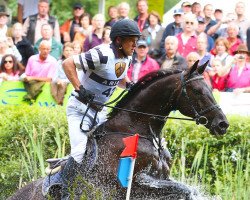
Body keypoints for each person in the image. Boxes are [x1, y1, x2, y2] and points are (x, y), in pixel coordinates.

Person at [61, 19, 141, 199]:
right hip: (79, 110)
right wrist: (79, 89)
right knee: (80, 152)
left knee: (110, 148)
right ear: (119, 40)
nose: (135, 44)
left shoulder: (126, 57)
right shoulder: (101, 54)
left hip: (99, 112)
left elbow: (116, 76)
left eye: (137, 40)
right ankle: (64, 191)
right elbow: (67, 63)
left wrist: (129, 85)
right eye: (132, 40)